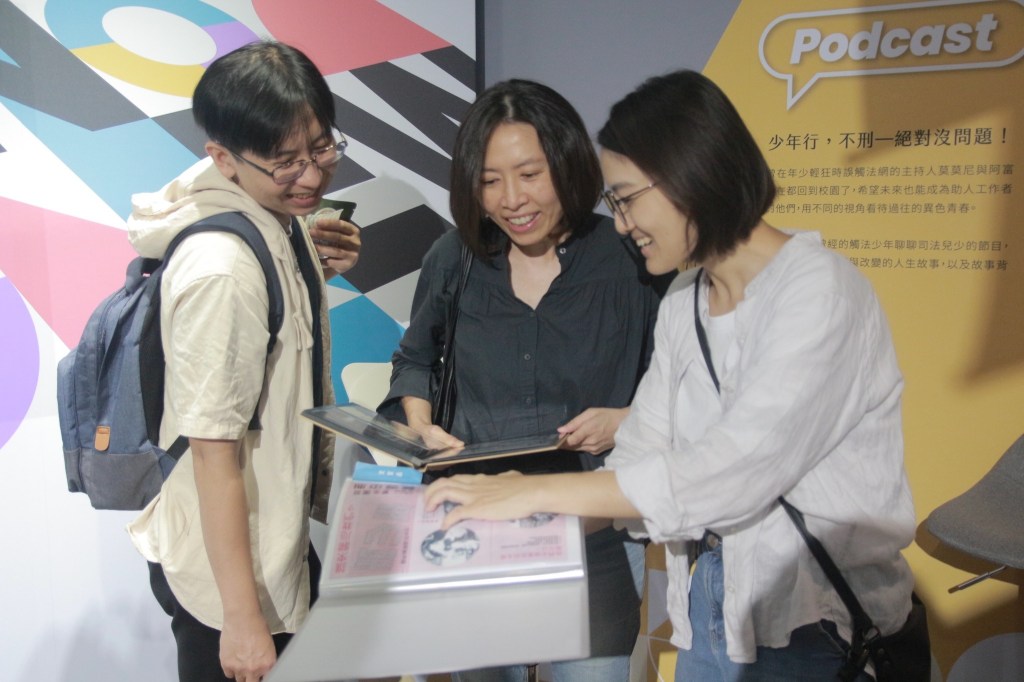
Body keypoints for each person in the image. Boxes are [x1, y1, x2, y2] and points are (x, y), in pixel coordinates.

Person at [424, 70, 918, 682]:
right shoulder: (687, 298)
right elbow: (640, 453)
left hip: (811, 620)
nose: (621, 224)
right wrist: (502, 520)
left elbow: (733, 471)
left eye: (627, 199)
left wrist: (531, 494)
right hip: (710, 604)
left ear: (690, 176)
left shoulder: (820, 292)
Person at [379, 79, 673, 681]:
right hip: (475, 525)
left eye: (530, 174)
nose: (512, 199)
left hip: (593, 526)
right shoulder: (454, 258)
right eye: (490, 181)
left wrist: (627, 420)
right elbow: (414, 359)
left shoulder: (629, 258)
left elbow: (679, 383)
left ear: (567, 164)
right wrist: (420, 422)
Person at [125, 41, 361, 682]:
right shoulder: (223, 270)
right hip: (229, 579)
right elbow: (212, 452)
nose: (311, 176)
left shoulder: (271, 219)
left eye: (321, 148)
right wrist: (241, 618)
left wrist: (314, 271)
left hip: (273, 545)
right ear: (224, 158)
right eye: (285, 163)